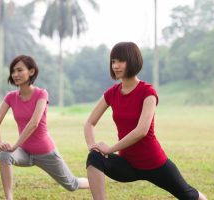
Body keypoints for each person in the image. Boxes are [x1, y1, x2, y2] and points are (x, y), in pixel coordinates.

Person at [84, 42, 207, 200]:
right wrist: (93, 147)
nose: (115, 65)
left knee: (188, 195)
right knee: (94, 158)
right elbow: (89, 123)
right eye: (113, 61)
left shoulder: (147, 92)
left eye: (121, 61)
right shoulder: (112, 93)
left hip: (153, 162)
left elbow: (141, 131)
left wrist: (110, 149)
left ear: (133, 61)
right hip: (127, 164)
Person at [0, 55, 89, 200]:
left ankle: (95, 182)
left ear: (31, 71)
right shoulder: (10, 97)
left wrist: (15, 145)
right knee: (4, 155)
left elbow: (34, 123)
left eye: (19, 70)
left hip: (46, 152)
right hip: (24, 152)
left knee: (71, 184)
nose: (15, 74)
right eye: (13, 71)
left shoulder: (41, 94)